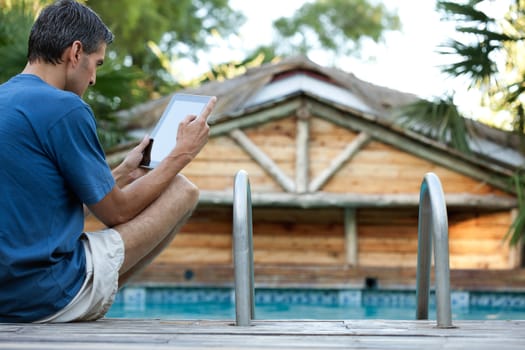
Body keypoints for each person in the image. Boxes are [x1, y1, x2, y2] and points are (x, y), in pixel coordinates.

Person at [0, 0, 216, 323]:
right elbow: (117, 212)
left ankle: (91, 297)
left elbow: (48, 204)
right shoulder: (65, 108)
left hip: (7, 296)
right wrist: (181, 154)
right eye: (97, 64)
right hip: (45, 295)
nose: (93, 80)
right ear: (75, 53)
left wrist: (124, 172)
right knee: (182, 191)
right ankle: (84, 303)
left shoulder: (7, 99)